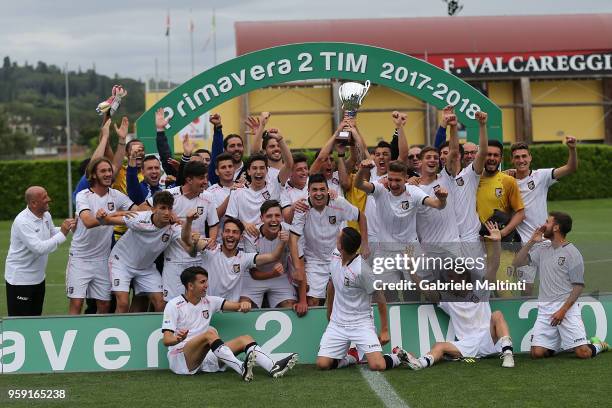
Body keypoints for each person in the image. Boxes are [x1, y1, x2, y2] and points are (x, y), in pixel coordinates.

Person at [395, 222, 516, 369]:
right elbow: (424, 289)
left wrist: (496, 243)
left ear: (464, 277)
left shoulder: (480, 289)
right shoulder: (446, 298)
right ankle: (419, 363)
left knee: (497, 315)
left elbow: (494, 265)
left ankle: (508, 355)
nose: (451, 279)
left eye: (454, 276)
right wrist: (410, 270)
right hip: (465, 345)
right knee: (439, 346)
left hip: (488, 339)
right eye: (449, 276)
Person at [162, 266, 298, 380]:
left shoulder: (210, 301)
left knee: (246, 339)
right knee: (210, 333)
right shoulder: (173, 305)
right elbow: (167, 340)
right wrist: (178, 338)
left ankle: (272, 367)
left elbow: (236, 306)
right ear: (190, 286)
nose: (206, 285)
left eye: (206, 281)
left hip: (204, 356)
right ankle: (241, 368)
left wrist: (244, 305)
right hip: (181, 359)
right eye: (202, 282)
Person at [513, 212, 609, 359]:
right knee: (537, 354)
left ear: (556, 227)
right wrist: (532, 241)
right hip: (545, 310)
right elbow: (517, 262)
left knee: (583, 354)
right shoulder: (542, 249)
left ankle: (598, 345)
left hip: (567, 310)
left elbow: (578, 287)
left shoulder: (573, 253)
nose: (543, 225)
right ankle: (561, 343)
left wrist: (563, 311)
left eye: (547, 222)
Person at [354, 159, 446, 302]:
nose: (393, 184)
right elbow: (358, 184)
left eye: (398, 180)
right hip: (385, 250)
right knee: (386, 294)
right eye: (390, 179)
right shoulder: (380, 189)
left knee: (416, 291)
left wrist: (442, 199)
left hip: (410, 249)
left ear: (406, 179)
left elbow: (437, 205)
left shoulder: (414, 192)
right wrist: (362, 169)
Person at [316, 227, 400, 372]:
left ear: (341, 246)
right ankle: (352, 357)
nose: (336, 238)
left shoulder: (363, 271)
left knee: (377, 366)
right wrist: (329, 312)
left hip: (361, 323)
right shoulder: (335, 255)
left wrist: (385, 329)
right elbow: (332, 284)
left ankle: (398, 356)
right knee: (323, 364)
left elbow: (380, 297)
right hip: (338, 323)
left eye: (338, 237)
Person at [289, 173, 368, 313]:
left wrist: (365, 244)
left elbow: (361, 216)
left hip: (337, 258)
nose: (318, 193)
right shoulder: (302, 208)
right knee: (312, 302)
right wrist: (297, 267)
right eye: (314, 190)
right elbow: (293, 238)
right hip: (314, 260)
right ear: (308, 191)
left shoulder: (338, 202)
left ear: (327, 189)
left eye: (322, 189)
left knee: (344, 297)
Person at [67, 157, 136, 314]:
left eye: (110, 171)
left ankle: (95, 337)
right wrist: (115, 214)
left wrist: (156, 209)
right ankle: (73, 335)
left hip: (103, 260)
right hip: (80, 258)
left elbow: (137, 210)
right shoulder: (83, 195)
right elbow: (88, 222)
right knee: (77, 304)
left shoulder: (116, 195)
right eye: (103, 171)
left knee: (104, 305)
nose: (108, 174)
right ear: (93, 175)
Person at [510, 137, 578, 294]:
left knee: (556, 285)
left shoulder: (541, 176)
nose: (521, 160)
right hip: (523, 245)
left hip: (545, 242)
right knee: (526, 290)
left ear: (530, 157)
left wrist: (572, 149)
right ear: (512, 160)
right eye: (517, 157)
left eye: (524, 156)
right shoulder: (507, 181)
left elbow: (570, 168)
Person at [108, 191, 192, 313]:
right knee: (123, 303)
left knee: (161, 303)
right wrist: (120, 212)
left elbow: (189, 245)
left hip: (146, 268)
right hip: (121, 263)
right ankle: (115, 331)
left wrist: (187, 224)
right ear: (153, 209)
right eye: (162, 208)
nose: (167, 212)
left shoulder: (173, 227)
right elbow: (107, 219)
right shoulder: (139, 218)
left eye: (169, 208)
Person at [152, 161, 219, 301]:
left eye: (206, 177)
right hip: (174, 260)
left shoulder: (209, 197)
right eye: (201, 178)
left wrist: (212, 239)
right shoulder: (169, 195)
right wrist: (168, 215)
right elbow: (143, 209)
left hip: (199, 259)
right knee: (171, 303)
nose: (206, 182)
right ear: (189, 179)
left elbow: (213, 224)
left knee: (200, 301)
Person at [5, 186, 75, 316]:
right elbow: (39, 248)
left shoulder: (46, 215)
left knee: (36, 319)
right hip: (20, 281)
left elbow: (52, 232)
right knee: (20, 323)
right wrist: (63, 233)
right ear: (33, 203)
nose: (49, 199)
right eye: (44, 197)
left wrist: (71, 227)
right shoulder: (22, 222)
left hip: (38, 278)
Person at [184, 216, 288, 302]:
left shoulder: (244, 258)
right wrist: (193, 236)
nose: (230, 235)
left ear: (241, 237)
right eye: (227, 231)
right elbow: (190, 247)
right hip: (208, 307)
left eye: (235, 232)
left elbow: (273, 256)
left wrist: (283, 241)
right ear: (222, 234)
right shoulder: (210, 250)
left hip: (231, 311)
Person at [226, 137, 292, 241]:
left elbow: (289, 164)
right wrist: (244, 224)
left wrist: (280, 140)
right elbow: (230, 219)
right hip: (246, 243)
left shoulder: (275, 186)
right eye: (254, 168)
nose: (258, 171)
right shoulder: (237, 192)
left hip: (271, 240)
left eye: (262, 168)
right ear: (248, 171)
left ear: (267, 170)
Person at [240, 200, 297, 309]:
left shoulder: (290, 231)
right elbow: (254, 273)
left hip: (281, 276)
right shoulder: (251, 235)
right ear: (261, 218)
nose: (274, 220)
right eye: (269, 216)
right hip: (255, 278)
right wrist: (273, 273)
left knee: (290, 308)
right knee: (245, 307)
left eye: (277, 215)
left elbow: (298, 261)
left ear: (282, 217)